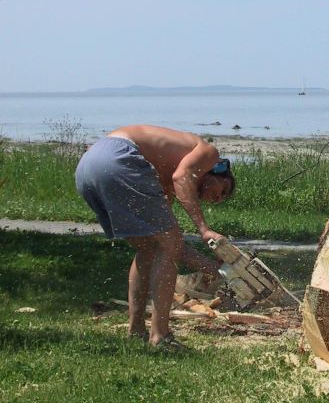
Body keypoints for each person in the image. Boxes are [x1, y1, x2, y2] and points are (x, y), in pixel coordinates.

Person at [75, 124, 235, 348]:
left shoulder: (163, 178)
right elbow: (182, 177)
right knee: (165, 245)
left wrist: (212, 267)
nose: (217, 198)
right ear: (218, 171)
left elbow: (170, 245)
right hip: (119, 158)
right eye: (223, 190)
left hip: (88, 166)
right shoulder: (209, 153)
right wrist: (203, 229)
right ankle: (160, 336)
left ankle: (136, 330)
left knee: (149, 247)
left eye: (220, 200)